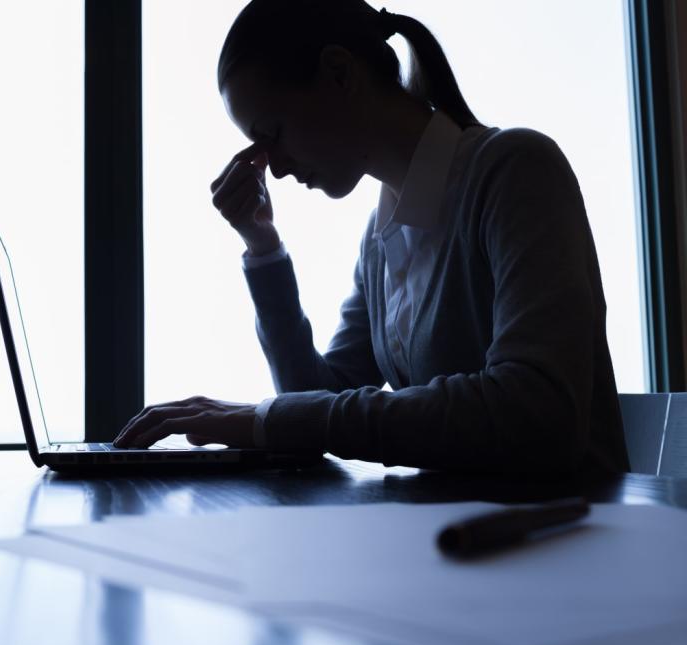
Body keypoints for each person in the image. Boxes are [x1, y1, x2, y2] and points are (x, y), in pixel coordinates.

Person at [114, 0, 630, 474]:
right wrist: (263, 248)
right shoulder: (380, 240)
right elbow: (314, 401)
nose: (271, 167)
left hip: (560, 547)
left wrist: (266, 419)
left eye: (270, 135)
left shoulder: (515, 171)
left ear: (339, 74)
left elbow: (534, 411)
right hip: (461, 546)